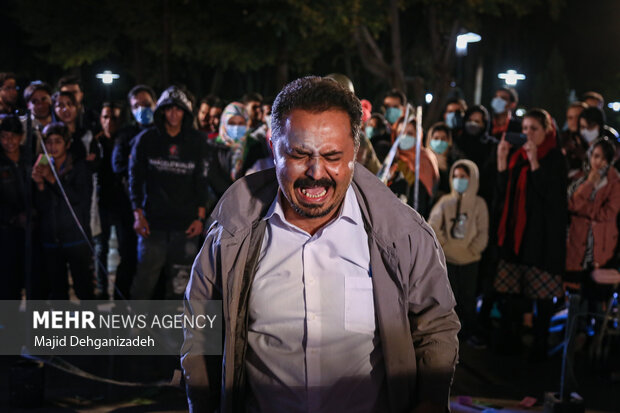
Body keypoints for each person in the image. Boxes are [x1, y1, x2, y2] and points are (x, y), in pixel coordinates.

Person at [182, 76, 460, 413]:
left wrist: (430, 401)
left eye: (332, 156)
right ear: (273, 148)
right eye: (299, 154)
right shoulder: (232, 236)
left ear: (354, 152)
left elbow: (435, 326)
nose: (316, 172)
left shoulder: (404, 237)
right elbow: (199, 328)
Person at [493, 108, 567, 360]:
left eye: (534, 129)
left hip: (541, 240)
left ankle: (540, 345)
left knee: (542, 298)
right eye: (524, 129)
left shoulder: (555, 157)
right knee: (512, 293)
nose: (528, 134)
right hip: (516, 238)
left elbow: (552, 198)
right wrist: (502, 162)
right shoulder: (517, 157)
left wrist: (535, 161)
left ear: (547, 131)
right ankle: (509, 342)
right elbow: (504, 196)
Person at [128, 86, 207, 299]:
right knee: (144, 282)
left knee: (180, 285)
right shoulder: (146, 140)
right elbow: (135, 179)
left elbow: (201, 180)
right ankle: (137, 329)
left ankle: (172, 331)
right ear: (161, 111)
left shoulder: (197, 141)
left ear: (186, 113)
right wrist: (138, 215)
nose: (173, 114)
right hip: (153, 225)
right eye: (169, 109)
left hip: (185, 226)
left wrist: (200, 217)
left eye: (179, 109)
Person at [31, 122, 94, 300]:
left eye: (57, 141)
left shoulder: (79, 168)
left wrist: (51, 179)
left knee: (84, 289)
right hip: (51, 239)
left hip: (75, 239)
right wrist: (40, 185)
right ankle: (62, 327)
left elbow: (77, 199)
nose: (52, 146)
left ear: (67, 144)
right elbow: (41, 207)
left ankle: (92, 327)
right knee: (58, 291)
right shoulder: (44, 166)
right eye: (49, 142)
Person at [429, 159, 488, 342]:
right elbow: (433, 226)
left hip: (470, 260)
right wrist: (445, 246)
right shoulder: (445, 202)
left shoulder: (479, 204)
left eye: (463, 177)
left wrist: (473, 250)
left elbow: (482, 231)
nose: (458, 180)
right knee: (449, 297)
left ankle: (469, 332)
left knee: (468, 298)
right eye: (455, 176)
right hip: (449, 260)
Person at [566, 138, 620, 276]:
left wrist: (584, 209)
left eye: (602, 158)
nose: (597, 162)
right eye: (595, 156)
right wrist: (589, 184)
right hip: (577, 241)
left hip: (601, 244)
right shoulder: (581, 179)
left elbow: (609, 212)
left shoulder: (615, 183)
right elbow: (572, 204)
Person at [387, 117, 439, 218]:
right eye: (401, 133)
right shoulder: (390, 159)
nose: (405, 136)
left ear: (418, 136)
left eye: (410, 133)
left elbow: (423, 197)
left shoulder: (425, 159)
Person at [0, 115, 28, 299]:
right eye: (4, 136)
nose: (9, 141)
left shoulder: (30, 156)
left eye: (13, 136)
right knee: (8, 283)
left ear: (21, 137)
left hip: (30, 230)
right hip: (5, 231)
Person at [425, 122, 463, 203]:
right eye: (436, 138)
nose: (439, 142)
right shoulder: (422, 160)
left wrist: (445, 170)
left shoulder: (456, 162)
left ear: (449, 141)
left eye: (443, 139)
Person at [560, 101, 588, 179]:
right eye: (570, 118)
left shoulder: (595, 139)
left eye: (578, 117)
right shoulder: (561, 139)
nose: (574, 121)